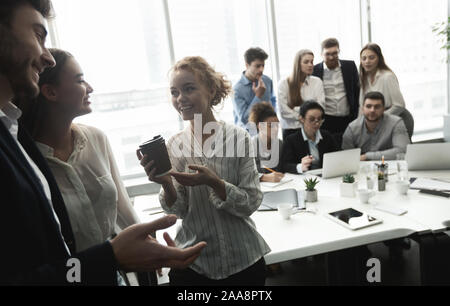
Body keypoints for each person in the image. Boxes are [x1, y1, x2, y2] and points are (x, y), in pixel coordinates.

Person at [0, 0, 205, 285]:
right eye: (37, 34)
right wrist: (110, 257)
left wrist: (145, 247)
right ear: (50, 92)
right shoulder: (25, 150)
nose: (46, 56)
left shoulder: (16, 135)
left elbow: (122, 210)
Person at [138, 56, 270, 286]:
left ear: (210, 89)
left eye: (188, 89)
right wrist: (166, 184)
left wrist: (215, 183)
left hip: (244, 262)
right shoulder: (174, 145)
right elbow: (178, 210)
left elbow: (251, 202)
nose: (180, 99)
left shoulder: (238, 138)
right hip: (194, 266)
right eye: (174, 92)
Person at [18, 48, 140, 255]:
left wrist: (147, 241)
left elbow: (123, 207)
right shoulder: (25, 158)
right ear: (50, 92)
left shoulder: (96, 138)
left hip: (113, 271)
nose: (89, 88)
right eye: (80, 80)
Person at [312, 38, 360, 145]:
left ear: (339, 51)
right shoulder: (314, 71)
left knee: (349, 148)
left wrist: (357, 115)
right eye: (327, 54)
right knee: (329, 150)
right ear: (321, 54)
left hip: (348, 118)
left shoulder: (350, 66)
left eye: (335, 53)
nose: (331, 57)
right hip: (327, 119)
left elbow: (357, 91)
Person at [342, 91, 410, 161]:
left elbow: (403, 150)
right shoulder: (352, 128)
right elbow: (347, 157)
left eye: (377, 107)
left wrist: (367, 156)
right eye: (368, 106)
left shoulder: (396, 123)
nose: (372, 110)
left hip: (390, 166)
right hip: (363, 168)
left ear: (384, 109)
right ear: (362, 109)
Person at [278, 49, 325, 140]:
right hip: (291, 130)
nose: (310, 65)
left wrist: (296, 109)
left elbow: (321, 107)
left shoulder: (317, 82)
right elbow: (284, 112)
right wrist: (307, 116)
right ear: (298, 64)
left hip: (312, 130)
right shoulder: (284, 83)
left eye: (312, 61)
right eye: (306, 62)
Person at [282, 101, 338, 174]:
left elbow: (337, 155)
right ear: (301, 119)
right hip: (304, 179)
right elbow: (284, 165)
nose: (317, 123)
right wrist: (300, 166)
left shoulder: (327, 136)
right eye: (312, 119)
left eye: (319, 119)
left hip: (326, 176)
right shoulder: (291, 140)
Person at [232, 47, 277, 132]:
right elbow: (245, 119)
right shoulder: (236, 90)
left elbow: (273, 102)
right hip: (248, 135)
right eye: (257, 66)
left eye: (263, 65)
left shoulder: (267, 81)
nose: (261, 69)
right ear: (247, 65)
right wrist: (258, 96)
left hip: (268, 133)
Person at [359, 43, 406, 116]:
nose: (367, 61)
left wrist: (378, 117)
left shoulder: (388, 77)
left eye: (371, 57)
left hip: (390, 119)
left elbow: (399, 105)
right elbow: (362, 106)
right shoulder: (363, 78)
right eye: (364, 58)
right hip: (372, 120)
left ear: (379, 59)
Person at [248, 101, 284, 183]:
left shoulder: (280, 144)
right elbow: (243, 174)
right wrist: (264, 177)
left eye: (277, 125)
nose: (276, 129)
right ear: (260, 126)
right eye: (270, 126)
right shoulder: (250, 145)